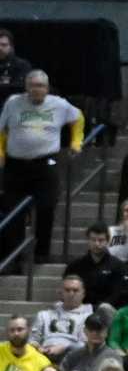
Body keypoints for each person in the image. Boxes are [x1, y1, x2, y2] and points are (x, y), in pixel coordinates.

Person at [0, 69, 84, 259]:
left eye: (41, 86)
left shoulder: (59, 104)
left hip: (45, 164)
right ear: (26, 87)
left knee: (46, 208)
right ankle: (15, 256)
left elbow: (78, 118)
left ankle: (41, 253)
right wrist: (1, 151)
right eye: (33, 86)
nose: (37, 90)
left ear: (47, 88)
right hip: (16, 166)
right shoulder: (13, 103)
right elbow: (2, 129)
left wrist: (75, 142)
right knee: (14, 212)